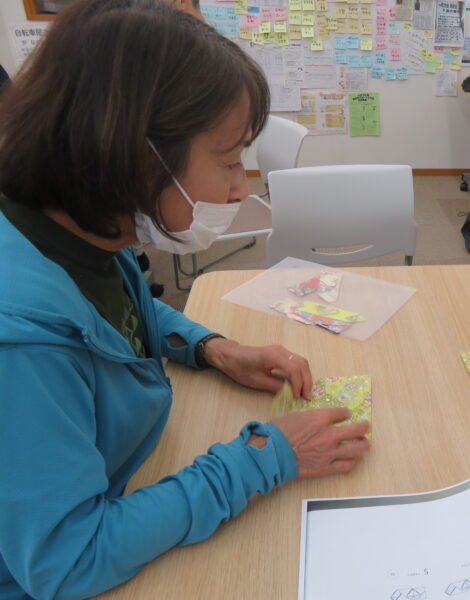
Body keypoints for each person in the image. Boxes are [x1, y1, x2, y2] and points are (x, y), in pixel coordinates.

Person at [0, 1, 369, 598]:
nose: (241, 188)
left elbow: (114, 315)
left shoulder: (81, 227)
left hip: (138, 466)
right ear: (133, 155)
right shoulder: (21, 344)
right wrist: (264, 457)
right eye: (229, 160)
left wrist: (211, 348)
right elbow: (69, 560)